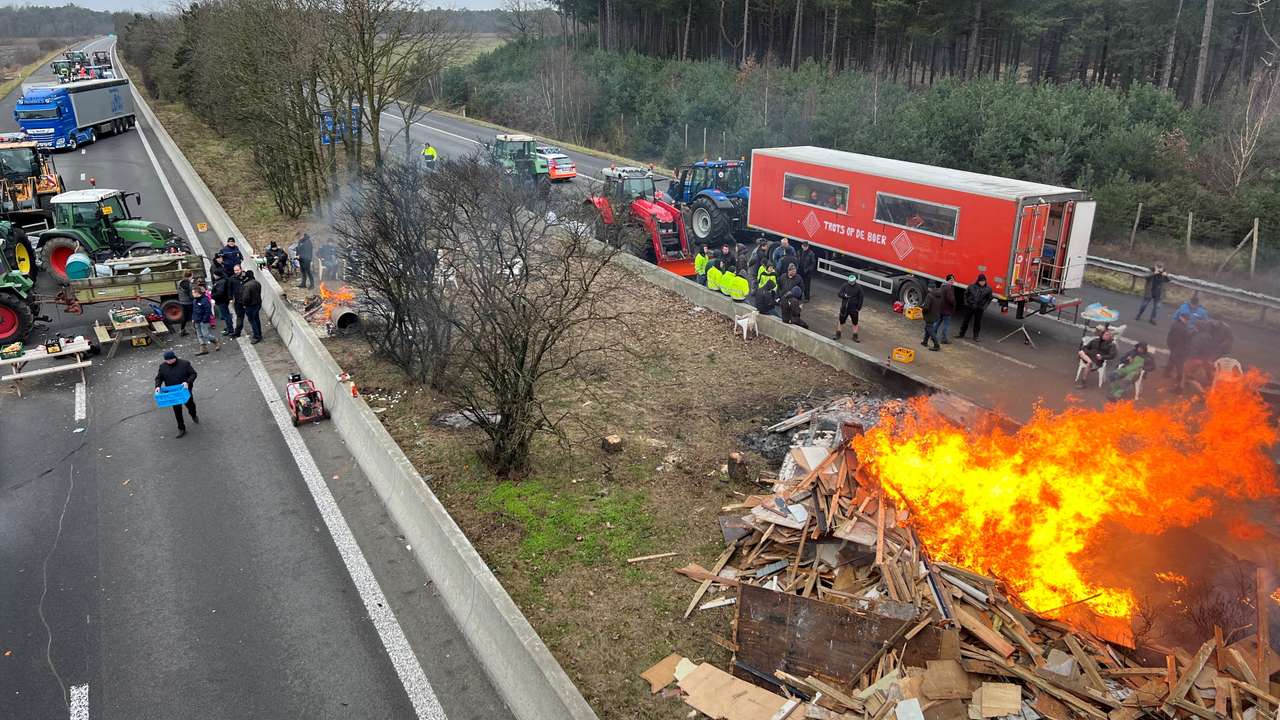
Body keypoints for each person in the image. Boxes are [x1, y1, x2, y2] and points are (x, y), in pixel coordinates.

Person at [155, 349, 198, 438]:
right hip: (172, 392)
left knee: (190, 405)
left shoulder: (185, 364)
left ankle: (193, 414)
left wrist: (187, 382)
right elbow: (159, 378)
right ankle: (181, 428)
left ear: (174, 357)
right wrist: (158, 386)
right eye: (167, 360)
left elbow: (193, 374)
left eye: (170, 360)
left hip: (185, 390)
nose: (169, 362)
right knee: (177, 410)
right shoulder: (162, 366)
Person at [957, 274, 993, 342]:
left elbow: (989, 299)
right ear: (978, 281)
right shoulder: (971, 286)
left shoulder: (988, 289)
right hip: (970, 306)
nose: (982, 282)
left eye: (983, 281)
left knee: (977, 323)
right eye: (981, 281)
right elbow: (965, 294)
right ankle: (961, 334)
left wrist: (984, 307)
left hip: (979, 308)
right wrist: (966, 303)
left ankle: (976, 336)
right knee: (965, 321)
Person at [191, 282, 219, 354]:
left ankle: (215, 340)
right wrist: (193, 318)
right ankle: (204, 349)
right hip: (197, 320)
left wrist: (204, 320)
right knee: (199, 335)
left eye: (193, 292)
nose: (192, 294)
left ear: (197, 293)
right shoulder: (194, 300)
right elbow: (194, 310)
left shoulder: (205, 300)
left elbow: (207, 311)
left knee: (205, 334)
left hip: (203, 321)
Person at [834, 273, 862, 342]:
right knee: (841, 321)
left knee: (855, 322)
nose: (851, 283)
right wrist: (844, 295)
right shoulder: (845, 285)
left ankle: (855, 336)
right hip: (845, 307)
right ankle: (838, 334)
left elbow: (861, 298)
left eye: (852, 282)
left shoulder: (859, 288)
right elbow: (839, 294)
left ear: (855, 281)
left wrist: (858, 308)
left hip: (854, 308)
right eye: (850, 281)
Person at [1165, 313, 1192, 383]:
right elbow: (1185, 337)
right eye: (1186, 319)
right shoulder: (1181, 327)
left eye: (1187, 319)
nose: (1187, 320)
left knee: (1171, 359)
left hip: (1174, 346)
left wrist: (1170, 344)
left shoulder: (1176, 324)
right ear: (1181, 317)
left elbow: (1170, 335)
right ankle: (1179, 376)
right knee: (1178, 362)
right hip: (1178, 347)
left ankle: (1167, 373)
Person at [239, 269, 264, 343]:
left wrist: (244, 304)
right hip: (258, 304)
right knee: (256, 319)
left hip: (250, 306)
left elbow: (246, 297)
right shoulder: (257, 283)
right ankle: (259, 334)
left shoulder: (247, 285)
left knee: (252, 321)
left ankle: (257, 336)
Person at [920, 283, 943, 351]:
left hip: (929, 315)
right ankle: (925, 342)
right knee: (928, 327)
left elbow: (926, 307)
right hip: (936, 314)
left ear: (929, 288)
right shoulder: (940, 294)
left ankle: (936, 345)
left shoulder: (929, 295)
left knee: (929, 329)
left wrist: (923, 310)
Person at [938, 274, 957, 344]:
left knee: (937, 322)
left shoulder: (942, 286)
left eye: (953, 280)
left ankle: (932, 334)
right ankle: (944, 339)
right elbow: (951, 299)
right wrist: (954, 304)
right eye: (951, 280)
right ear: (948, 280)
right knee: (946, 324)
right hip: (947, 309)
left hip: (941, 308)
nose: (952, 281)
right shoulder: (949, 288)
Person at [229, 265, 247, 338]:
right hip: (238, 301)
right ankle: (237, 332)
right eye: (235, 270)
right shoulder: (232, 279)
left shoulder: (246, 277)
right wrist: (230, 298)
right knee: (239, 317)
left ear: (241, 269)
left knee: (252, 319)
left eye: (237, 270)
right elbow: (229, 289)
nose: (236, 272)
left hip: (248, 301)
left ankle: (256, 334)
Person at [176, 269, 194, 337]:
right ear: (190, 276)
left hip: (182, 302)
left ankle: (182, 330)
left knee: (185, 317)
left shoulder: (179, 283)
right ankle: (197, 330)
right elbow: (191, 296)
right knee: (194, 316)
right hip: (189, 302)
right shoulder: (189, 285)